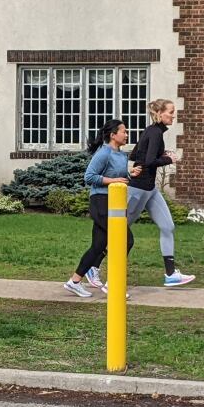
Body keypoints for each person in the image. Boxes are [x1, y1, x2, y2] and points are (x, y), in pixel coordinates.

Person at [93, 99, 194, 288]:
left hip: (149, 189)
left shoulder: (152, 132)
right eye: (171, 112)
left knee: (168, 226)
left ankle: (170, 274)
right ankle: (98, 271)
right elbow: (148, 161)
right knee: (119, 233)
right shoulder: (154, 133)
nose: (173, 115)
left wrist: (162, 156)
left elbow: (135, 156)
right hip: (137, 190)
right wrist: (168, 159)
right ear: (160, 114)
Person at [64, 119, 141, 298]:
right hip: (101, 202)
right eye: (124, 131)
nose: (127, 134)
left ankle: (74, 282)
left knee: (98, 246)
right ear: (113, 135)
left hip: (113, 203)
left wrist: (130, 174)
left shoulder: (121, 155)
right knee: (126, 240)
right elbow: (89, 176)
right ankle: (113, 284)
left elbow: (116, 175)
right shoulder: (104, 153)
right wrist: (113, 181)